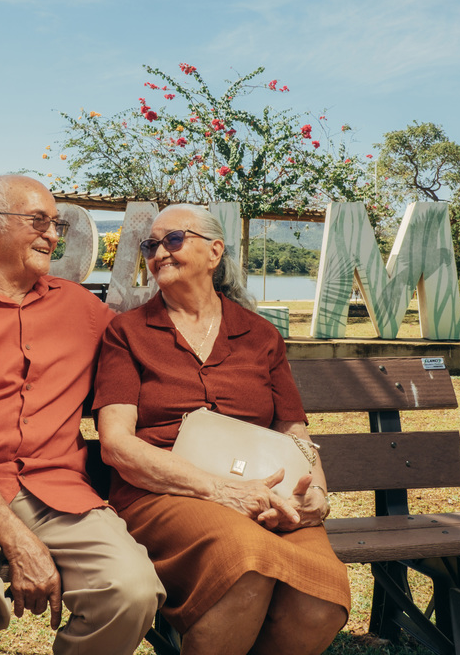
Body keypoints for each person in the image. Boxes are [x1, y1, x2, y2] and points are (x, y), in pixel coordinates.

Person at [0, 174, 164, 655]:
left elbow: (153, 351)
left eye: (56, 223)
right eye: (38, 221)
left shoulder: (82, 308)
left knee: (132, 589)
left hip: (59, 493)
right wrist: (18, 542)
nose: (54, 234)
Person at [94, 204, 351, 655]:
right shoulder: (128, 333)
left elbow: (293, 428)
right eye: (151, 245)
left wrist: (318, 496)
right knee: (245, 568)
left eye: (174, 239)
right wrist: (221, 490)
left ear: (215, 252)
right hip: (162, 495)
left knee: (321, 602)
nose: (159, 253)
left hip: (266, 492)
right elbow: (116, 444)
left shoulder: (259, 335)